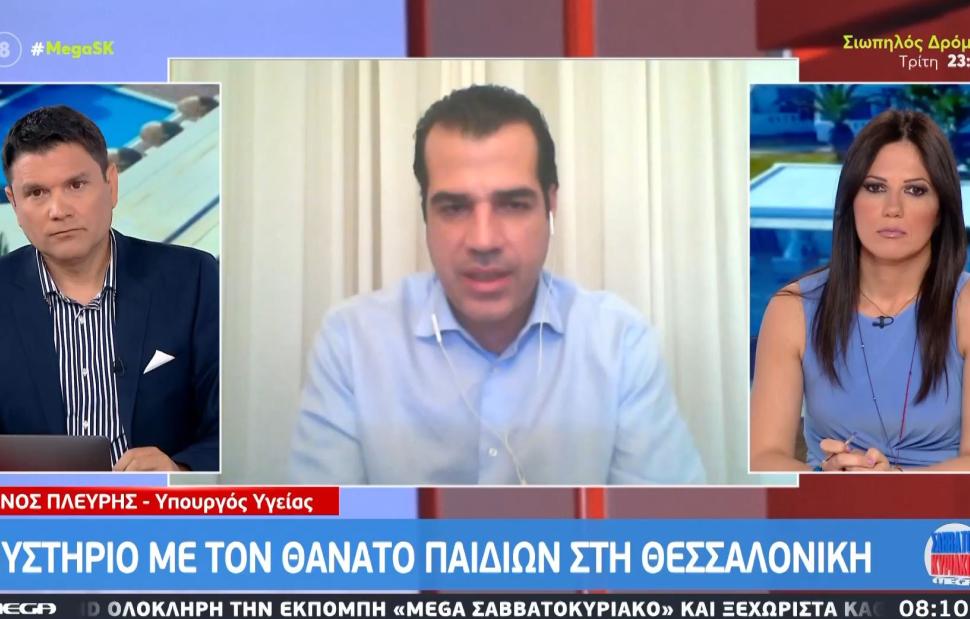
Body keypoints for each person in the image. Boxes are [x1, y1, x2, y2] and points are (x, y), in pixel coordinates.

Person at [291, 84, 704, 484]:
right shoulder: (352, 342)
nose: (484, 240)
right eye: (454, 208)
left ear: (551, 206)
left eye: (513, 205)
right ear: (425, 214)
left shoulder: (619, 344)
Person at [0, 105, 219, 472]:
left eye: (76, 185)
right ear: (15, 204)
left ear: (111, 184)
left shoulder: (192, 278)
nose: (58, 210)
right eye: (36, 192)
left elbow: (231, 429)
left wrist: (179, 471)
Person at [751, 109, 970, 472]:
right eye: (875, 187)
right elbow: (763, 457)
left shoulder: (965, 307)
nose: (893, 209)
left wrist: (895, 485)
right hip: (830, 503)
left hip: (944, 504)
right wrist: (827, 485)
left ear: (941, 209)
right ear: (851, 199)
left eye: (915, 190)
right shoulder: (792, 309)